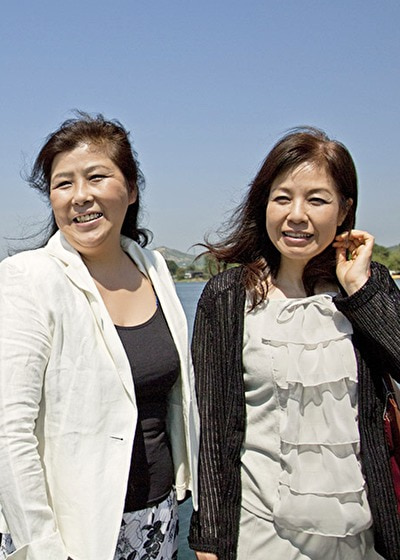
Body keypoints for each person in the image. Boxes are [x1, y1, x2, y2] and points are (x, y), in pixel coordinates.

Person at [188, 127, 400, 560]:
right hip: (261, 534)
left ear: (344, 209)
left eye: (317, 200)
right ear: (264, 204)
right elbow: (213, 425)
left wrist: (359, 290)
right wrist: (209, 536)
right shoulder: (228, 297)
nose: (296, 215)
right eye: (282, 198)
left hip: (360, 536)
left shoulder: (366, 286)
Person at [0, 112, 199, 560]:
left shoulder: (154, 269)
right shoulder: (28, 278)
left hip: (157, 518)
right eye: (63, 183)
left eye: (96, 177)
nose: (80, 196)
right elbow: (9, 431)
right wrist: (43, 546)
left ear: (131, 189)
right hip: (71, 530)